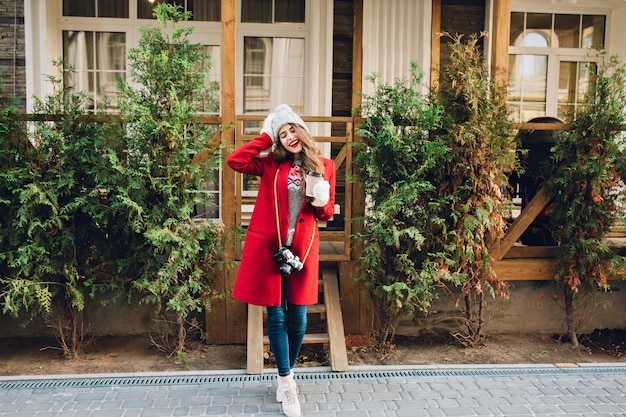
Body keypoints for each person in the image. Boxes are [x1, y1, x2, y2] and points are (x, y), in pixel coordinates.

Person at [226, 104, 336, 417]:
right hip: (270, 250)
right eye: (282, 133)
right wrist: (264, 136)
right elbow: (236, 161)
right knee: (275, 316)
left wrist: (323, 199)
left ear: (301, 132)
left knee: (299, 318)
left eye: (291, 130)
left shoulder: (324, 165)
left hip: (303, 250)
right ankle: (287, 382)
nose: (288, 137)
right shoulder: (272, 165)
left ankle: (285, 371)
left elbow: (325, 215)